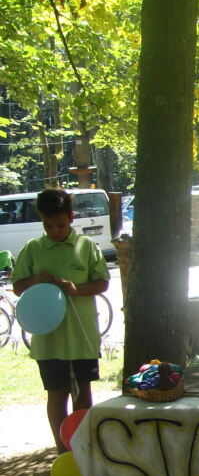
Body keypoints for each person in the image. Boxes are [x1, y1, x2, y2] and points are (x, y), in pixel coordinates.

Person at [11, 188, 110, 454]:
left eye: (60, 225)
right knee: (56, 393)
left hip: (81, 335)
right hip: (48, 339)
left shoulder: (86, 246)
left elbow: (102, 282)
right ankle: (62, 451)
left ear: (71, 218)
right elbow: (18, 286)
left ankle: (83, 450)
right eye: (48, 225)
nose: (54, 231)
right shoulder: (33, 248)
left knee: (83, 393)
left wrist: (76, 289)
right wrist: (35, 280)